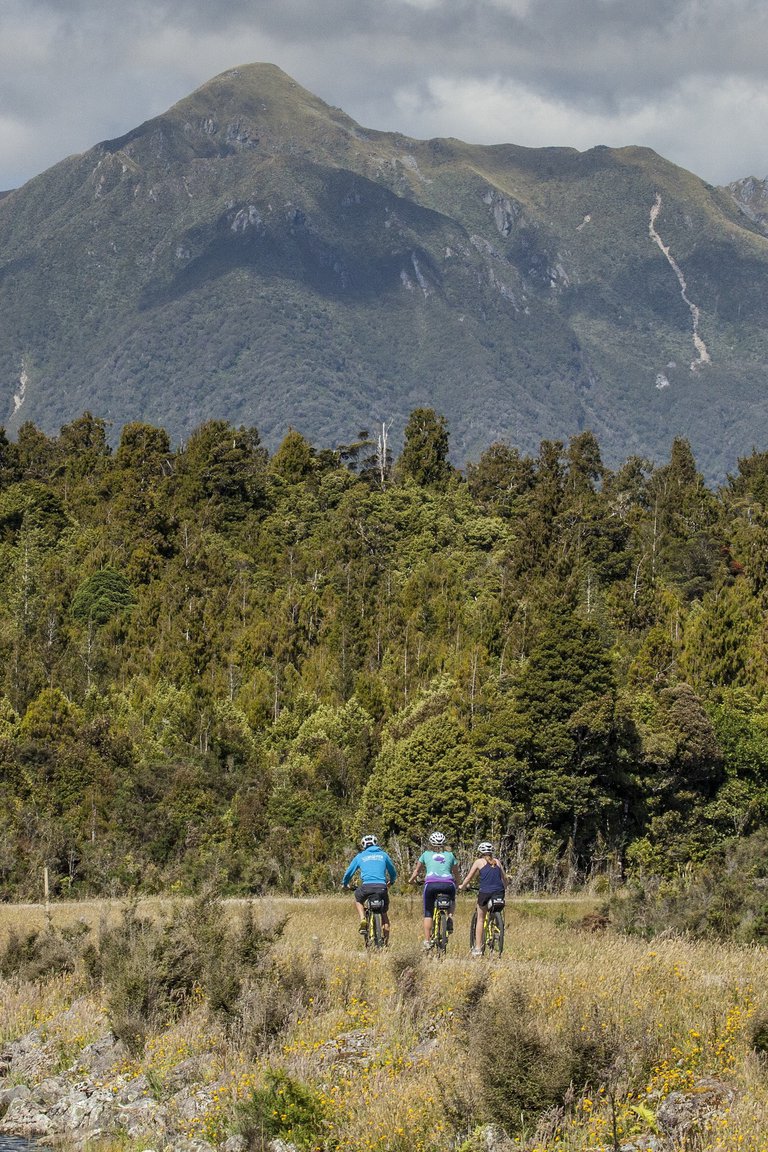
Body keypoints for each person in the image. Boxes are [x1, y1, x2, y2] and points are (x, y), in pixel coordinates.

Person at [408, 831, 459, 950]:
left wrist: (411, 880)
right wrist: (457, 883)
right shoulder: (450, 855)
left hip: (431, 884)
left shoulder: (425, 854)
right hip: (448, 884)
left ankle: (427, 941)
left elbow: (417, 871)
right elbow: (456, 873)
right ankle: (450, 917)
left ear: (430, 843)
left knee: (428, 912)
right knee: (452, 899)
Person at [342, 834, 397, 943]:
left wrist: (345, 883)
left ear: (363, 845)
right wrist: (392, 881)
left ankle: (363, 919)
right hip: (382, 887)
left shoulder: (360, 856)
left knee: (358, 899)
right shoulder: (383, 855)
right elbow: (393, 872)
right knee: (384, 914)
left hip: (366, 887)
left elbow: (349, 872)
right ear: (376, 843)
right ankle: (385, 943)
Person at [459, 841, 507, 956]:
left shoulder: (479, 862)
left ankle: (478, 949)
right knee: (495, 911)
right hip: (499, 893)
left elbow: (469, 877)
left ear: (480, 852)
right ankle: (495, 929)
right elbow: (504, 879)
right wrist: (504, 889)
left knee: (480, 919)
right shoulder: (498, 862)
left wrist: (462, 886)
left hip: (485, 892)